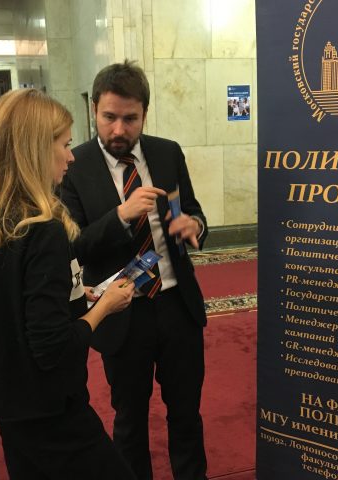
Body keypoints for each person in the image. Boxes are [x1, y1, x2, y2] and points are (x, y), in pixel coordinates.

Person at [0, 88, 136, 479]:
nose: (71, 156)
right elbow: (52, 348)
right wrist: (104, 307)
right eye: (64, 145)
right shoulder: (42, 229)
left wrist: (73, 296)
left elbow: (10, 303)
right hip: (48, 405)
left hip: (6, 396)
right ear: (35, 149)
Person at [61, 60, 209, 480]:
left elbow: (191, 209)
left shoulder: (166, 153)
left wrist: (194, 226)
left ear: (145, 112)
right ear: (94, 109)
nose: (119, 129)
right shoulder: (74, 164)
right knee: (130, 418)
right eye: (109, 117)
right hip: (121, 310)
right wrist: (121, 216)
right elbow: (74, 245)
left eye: (130, 119)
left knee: (187, 412)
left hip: (177, 305)